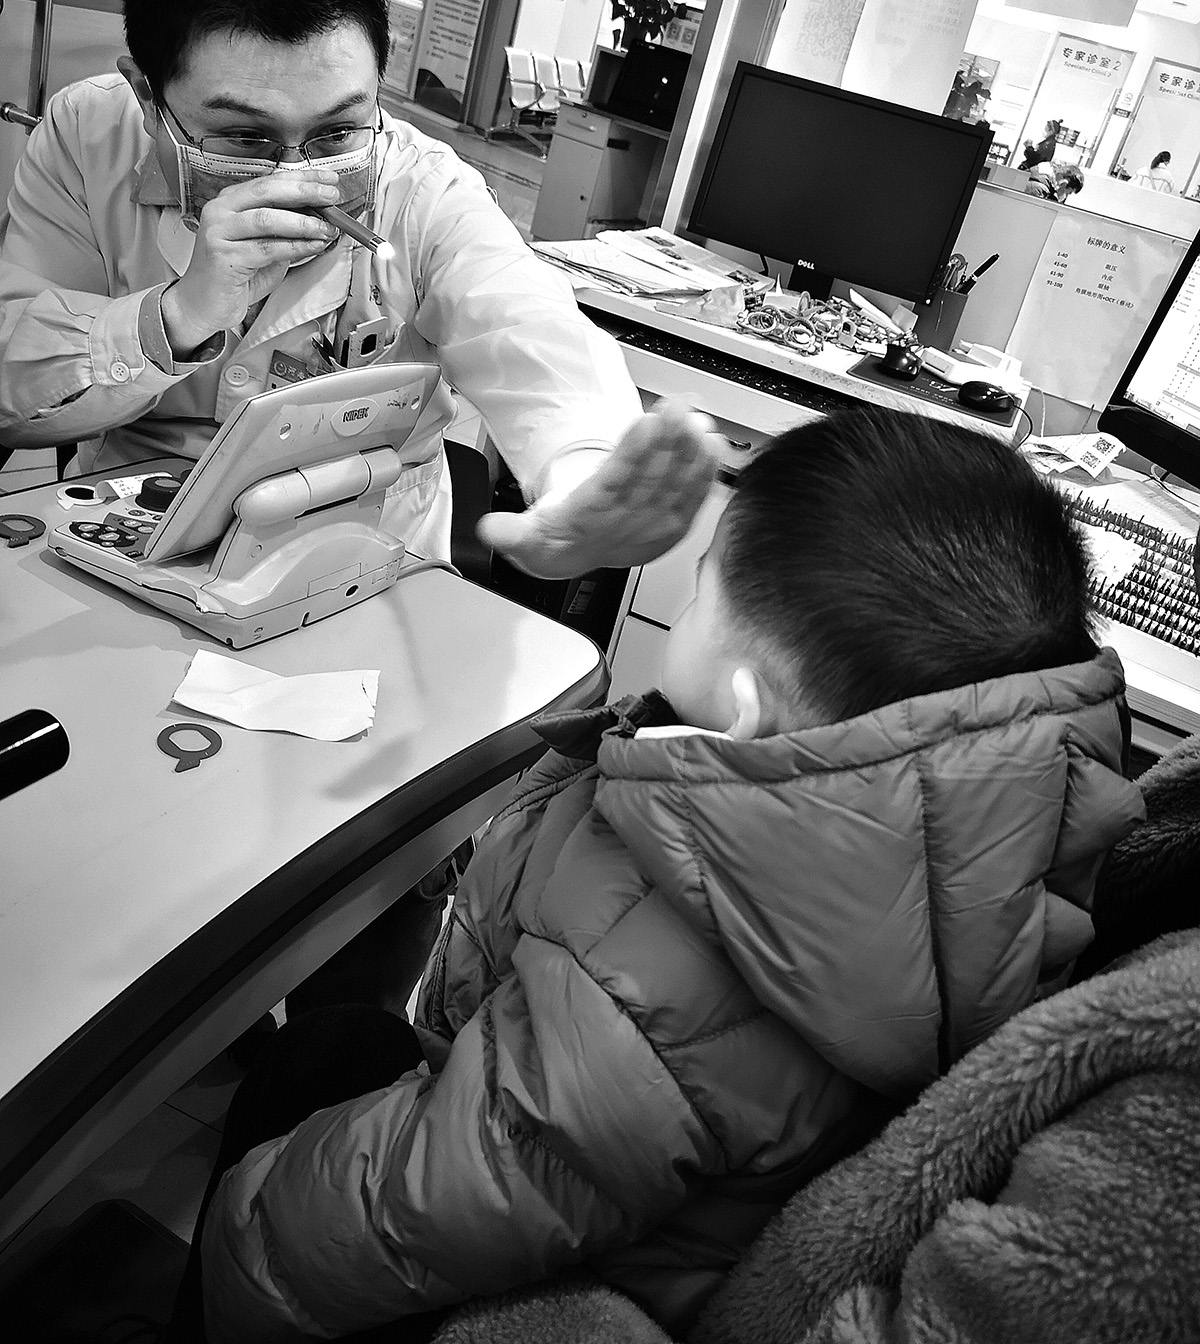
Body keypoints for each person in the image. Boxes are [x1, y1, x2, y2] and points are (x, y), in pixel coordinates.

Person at [196, 407, 1142, 1343]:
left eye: (696, 597)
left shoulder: (665, 985)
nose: (683, 613)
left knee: (307, 1082)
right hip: (587, 1157)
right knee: (341, 1047)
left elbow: (443, 1195)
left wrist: (241, 1244)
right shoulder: (984, 839)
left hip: (552, 1251)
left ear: (744, 710)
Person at [0, 0, 719, 584]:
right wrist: (177, 316)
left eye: (338, 131)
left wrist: (582, 475)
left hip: (359, 551)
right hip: (122, 528)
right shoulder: (89, 137)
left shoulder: (421, 187)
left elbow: (527, 328)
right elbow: (10, 386)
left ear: (378, 78)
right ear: (146, 95)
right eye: (244, 138)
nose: (296, 177)